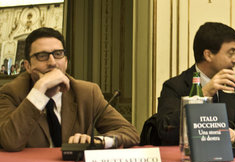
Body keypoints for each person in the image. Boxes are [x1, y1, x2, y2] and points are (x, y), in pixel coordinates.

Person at [0, 27, 139, 151]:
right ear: (28, 66)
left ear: (66, 61)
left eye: (58, 54)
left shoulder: (87, 93)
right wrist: (39, 90)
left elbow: (130, 132)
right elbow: (10, 142)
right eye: (42, 56)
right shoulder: (11, 92)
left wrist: (98, 141)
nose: (52, 63)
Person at [154, 22, 235, 145]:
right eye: (231, 53)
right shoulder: (175, 86)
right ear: (208, 55)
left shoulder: (233, 85)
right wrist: (202, 95)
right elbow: (165, 129)